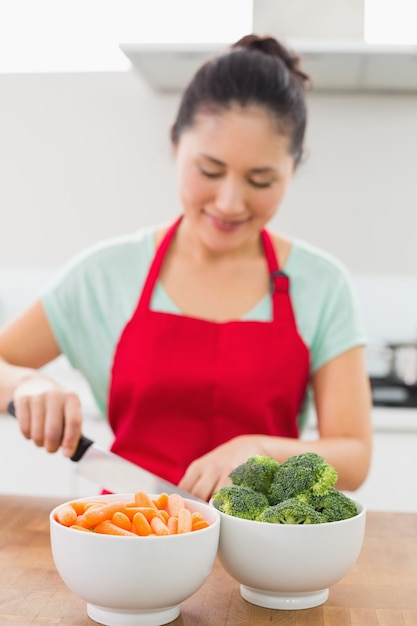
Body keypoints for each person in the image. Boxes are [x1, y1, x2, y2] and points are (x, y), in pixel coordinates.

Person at [0, 34, 372, 502]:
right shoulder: (104, 274)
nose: (229, 202)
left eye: (261, 180)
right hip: (132, 535)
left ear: (293, 169)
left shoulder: (322, 284)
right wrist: (25, 382)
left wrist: (260, 450)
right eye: (210, 171)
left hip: (263, 554)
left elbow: (355, 454)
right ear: (176, 144)